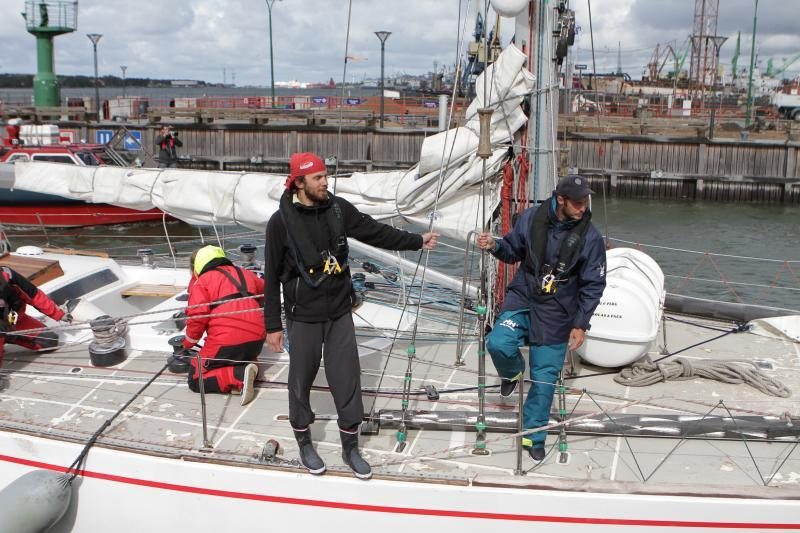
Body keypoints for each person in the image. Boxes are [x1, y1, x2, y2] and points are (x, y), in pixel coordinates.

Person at [264, 152, 439, 479]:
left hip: (339, 311)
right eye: (317, 177)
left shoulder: (337, 208)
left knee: (347, 378)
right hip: (303, 316)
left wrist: (416, 241)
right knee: (300, 380)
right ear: (299, 182)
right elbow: (271, 275)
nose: (325, 182)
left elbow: (374, 231)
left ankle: (350, 446)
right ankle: (304, 440)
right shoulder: (280, 224)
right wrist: (272, 325)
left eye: (325, 175)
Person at [476, 175, 606, 463]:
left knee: (545, 378)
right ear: (560, 200)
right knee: (498, 342)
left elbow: (593, 285)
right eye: (577, 202)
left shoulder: (591, 238)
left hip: (558, 309)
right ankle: (511, 373)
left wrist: (580, 324)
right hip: (524, 296)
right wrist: (494, 246)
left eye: (585, 202)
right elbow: (512, 251)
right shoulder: (531, 218)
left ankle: (533, 435)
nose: (583, 208)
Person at [181, 246, 265, 406]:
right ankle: (250, 365)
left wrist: (187, 343)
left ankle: (238, 377)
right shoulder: (245, 273)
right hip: (257, 341)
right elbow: (265, 292)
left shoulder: (202, 282)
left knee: (195, 377)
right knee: (230, 354)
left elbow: (197, 318)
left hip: (226, 342)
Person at [0, 266, 68, 366]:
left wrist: (58, 314)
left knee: (49, 341)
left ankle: (9, 337)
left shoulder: (7, 274)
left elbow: (34, 295)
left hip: (16, 321)